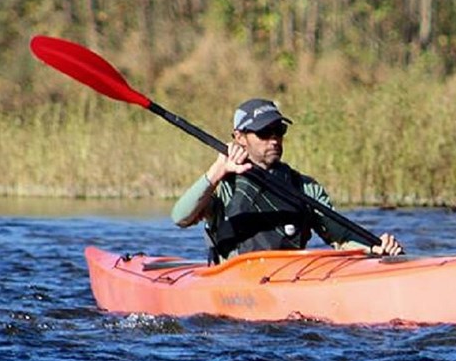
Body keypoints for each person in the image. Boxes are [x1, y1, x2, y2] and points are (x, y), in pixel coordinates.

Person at [171, 98, 403, 262]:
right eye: (263, 132)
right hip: (233, 285)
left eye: (279, 131)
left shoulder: (304, 188)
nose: (274, 140)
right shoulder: (223, 186)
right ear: (239, 137)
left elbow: (341, 238)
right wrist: (217, 171)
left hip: (288, 279)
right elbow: (180, 217)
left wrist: (374, 248)